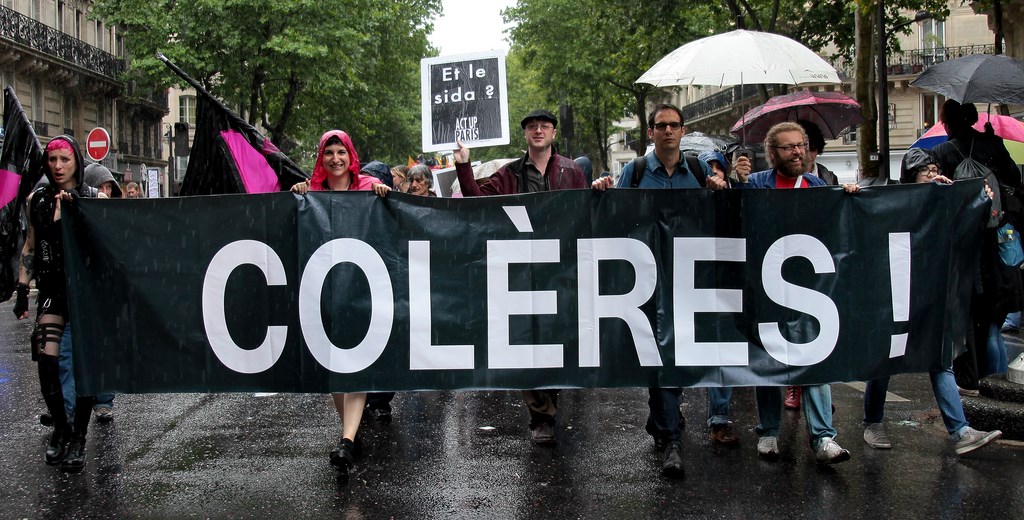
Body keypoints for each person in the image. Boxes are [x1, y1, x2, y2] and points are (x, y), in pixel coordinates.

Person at [593, 104, 751, 475]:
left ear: (682, 131)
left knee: (677, 354)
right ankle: (670, 436)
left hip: (689, 281)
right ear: (651, 132)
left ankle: (664, 426)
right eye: (661, 125)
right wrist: (602, 192)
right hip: (647, 279)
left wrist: (722, 191)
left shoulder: (697, 171)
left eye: (674, 125)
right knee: (658, 355)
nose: (668, 131)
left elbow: (723, 220)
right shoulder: (634, 172)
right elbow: (615, 218)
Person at [454, 108, 587, 445]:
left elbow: (586, 213)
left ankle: (550, 400)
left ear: (553, 133)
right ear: (525, 134)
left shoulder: (572, 171)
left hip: (562, 269)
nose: (538, 130)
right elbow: (477, 201)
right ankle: (541, 417)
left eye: (544, 126)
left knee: (558, 337)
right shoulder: (509, 173)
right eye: (532, 127)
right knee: (527, 340)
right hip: (522, 270)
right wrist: (464, 165)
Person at [861, 147, 1003, 455]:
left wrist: (971, 198)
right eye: (925, 171)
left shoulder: (941, 198)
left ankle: (960, 431)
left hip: (929, 293)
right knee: (885, 359)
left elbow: (967, 226)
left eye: (934, 169)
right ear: (910, 176)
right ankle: (872, 421)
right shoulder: (894, 199)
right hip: (896, 293)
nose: (931, 174)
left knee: (940, 359)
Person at [743, 122, 851, 464]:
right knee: (767, 360)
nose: (797, 152)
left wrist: (849, 199)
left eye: (801, 145)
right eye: (788, 147)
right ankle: (769, 431)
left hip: (808, 289)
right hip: (766, 285)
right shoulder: (757, 184)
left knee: (814, 358)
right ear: (772, 153)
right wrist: (736, 183)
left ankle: (823, 437)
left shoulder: (817, 186)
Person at [290, 130, 389, 476]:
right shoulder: (311, 192)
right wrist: (299, 196)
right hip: (324, 293)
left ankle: (346, 441)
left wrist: (383, 196)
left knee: (357, 365)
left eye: (341, 152)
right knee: (333, 372)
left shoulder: (369, 187)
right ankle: (351, 430)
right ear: (322, 157)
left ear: (351, 156)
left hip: (360, 290)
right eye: (329, 152)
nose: (335, 159)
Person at [14, 135, 106, 473]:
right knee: (47, 360)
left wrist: (77, 212)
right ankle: (62, 429)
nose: (57, 166)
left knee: (84, 366)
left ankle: (79, 437)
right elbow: (30, 245)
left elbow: (108, 245)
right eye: (52, 160)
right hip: (52, 290)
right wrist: (22, 288)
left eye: (64, 159)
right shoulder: (36, 200)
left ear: (76, 162)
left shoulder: (94, 198)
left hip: (85, 293)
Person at [931, 100, 1024, 389]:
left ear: (947, 122)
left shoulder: (943, 152)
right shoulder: (992, 144)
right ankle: (999, 386)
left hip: (964, 246)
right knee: (994, 325)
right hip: (997, 241)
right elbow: (1014, 179)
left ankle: (979, 383)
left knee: (971, 324)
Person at [81, 163, 121, 422]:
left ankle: (104, 400)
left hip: (106, 290)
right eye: (101, 187)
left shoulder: (115, 219)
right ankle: (69, 403)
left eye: (109, 188)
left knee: (105, 345)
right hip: (82, 288)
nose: (105, 192)